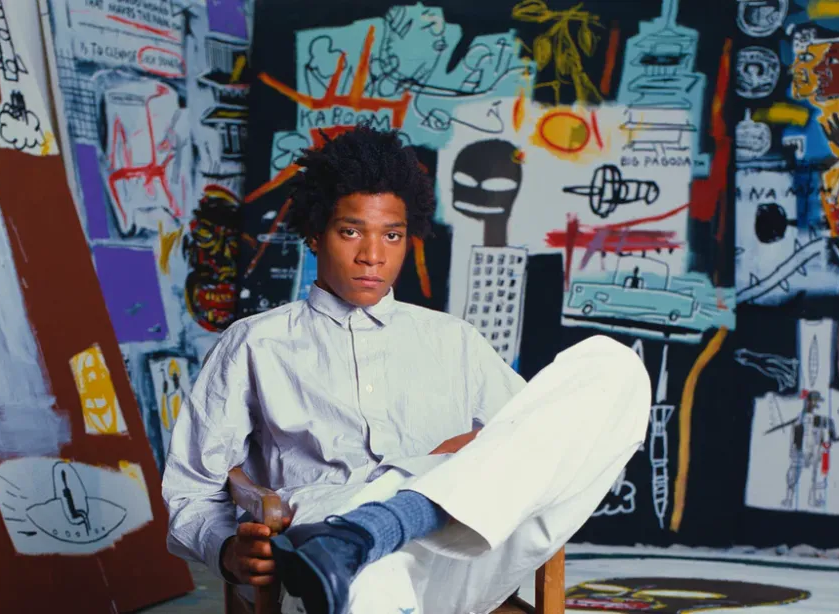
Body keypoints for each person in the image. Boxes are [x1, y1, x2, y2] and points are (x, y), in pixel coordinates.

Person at [162, 125, 651, 614]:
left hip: (461, 553)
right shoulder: (256, 343)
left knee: (614, 366)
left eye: (391, 236)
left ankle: (383, 523)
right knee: (367, 576)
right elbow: (192, 490)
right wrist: (228, 551)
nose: (372, 256)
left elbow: (541, 440)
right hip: (329, 549)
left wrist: (472, 451)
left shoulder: (453, 340)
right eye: (351, 231)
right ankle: (356, 539)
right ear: (315, 235)